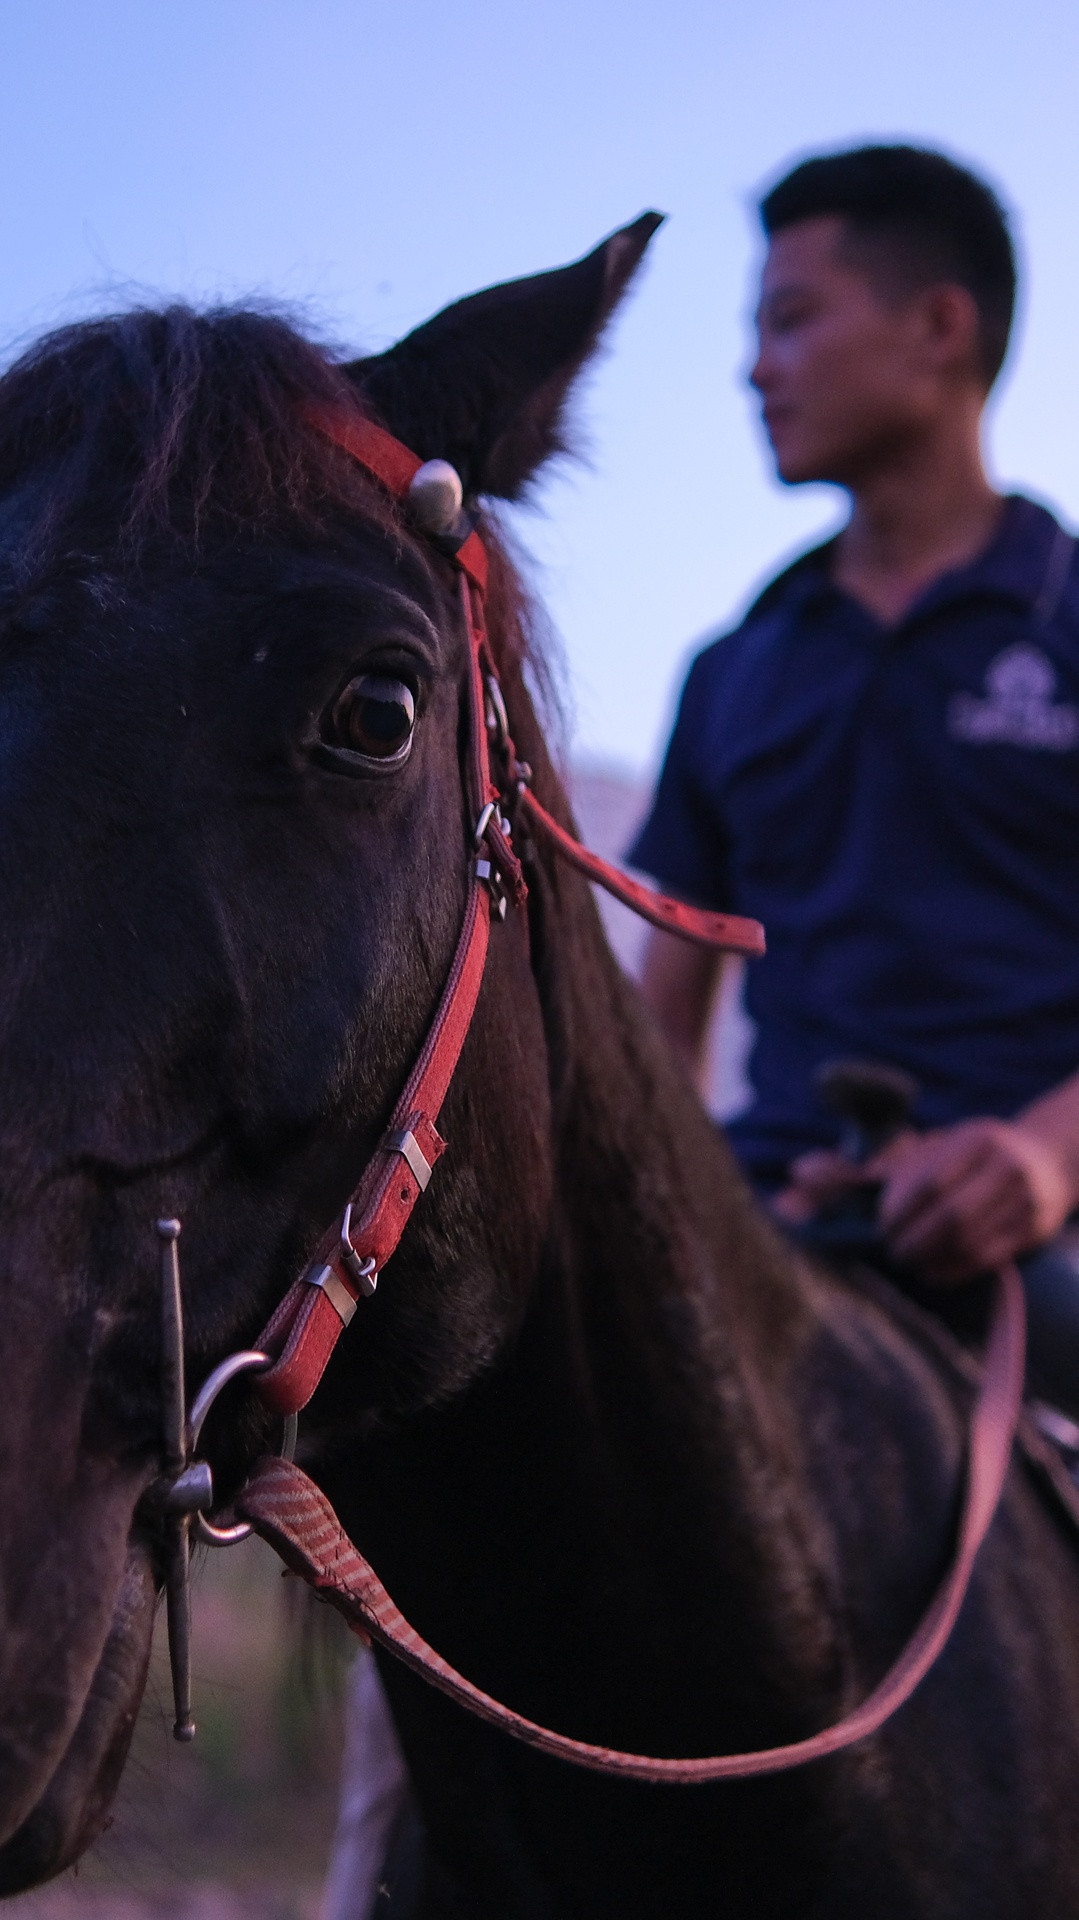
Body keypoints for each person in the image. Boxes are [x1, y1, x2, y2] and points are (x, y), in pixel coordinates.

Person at [630, 144, 1079, 1409]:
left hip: (1044, 1243)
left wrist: (1040, 1162)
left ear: (938, 327)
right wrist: (701, 1204)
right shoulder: (731, 669)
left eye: (791, 319)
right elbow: (665, 1024)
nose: (754, 368)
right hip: (777, 1230)